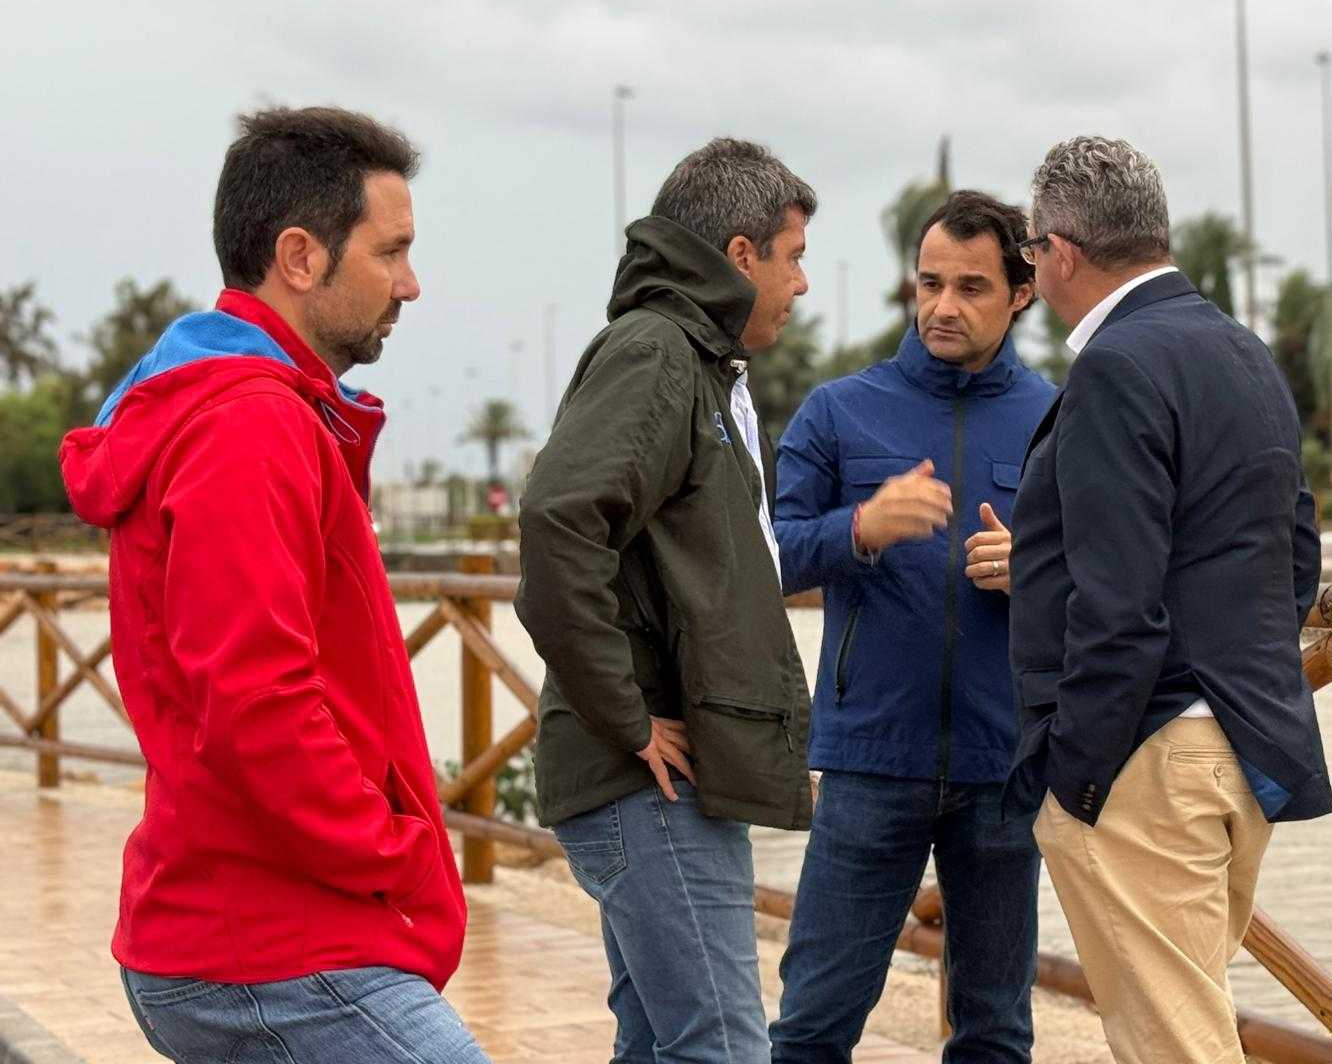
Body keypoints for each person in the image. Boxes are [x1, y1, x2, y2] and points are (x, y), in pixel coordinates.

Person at [59, 107, 488, 1062]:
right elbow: (256, 699)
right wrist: (395, 854)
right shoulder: (248, 425)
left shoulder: (246, 406)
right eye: (391, 251)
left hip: (253, 919)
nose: (411, 284)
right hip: (271, 943)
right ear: (300, 256)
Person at [1004, 136, 1332, 1064]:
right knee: (1191, 1023)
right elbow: (1296, 551)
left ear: (1062, 252)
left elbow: (1118, 599)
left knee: (1177, 1046)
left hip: (1145, 758)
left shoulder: (1117, 365)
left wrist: (1078, 771)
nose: (1035, 269)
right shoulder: (1242, 352)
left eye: (1032, 251)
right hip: (1244, 744)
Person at [516, 137, 816, 1063]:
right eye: (793, 257)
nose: (802, 284)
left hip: (667, 777)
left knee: (661, 1047)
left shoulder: (699, 363)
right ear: (741, 255)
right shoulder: (657, 353)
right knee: (721, 1047)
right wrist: (628, 719)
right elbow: (558, 524)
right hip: (648, 780)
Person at [769, 190, 1056, 1062]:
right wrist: (858, 528)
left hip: (1005, 768)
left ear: (1022, 293)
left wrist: (1037, 571)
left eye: (971, 287)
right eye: (930, 283)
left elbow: (1112, 576)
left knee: (996, 1033)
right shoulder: (838, 410)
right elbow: (763, 560)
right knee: (813, 1025)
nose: (943, 306)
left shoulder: (1060, 420)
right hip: (869, 762)